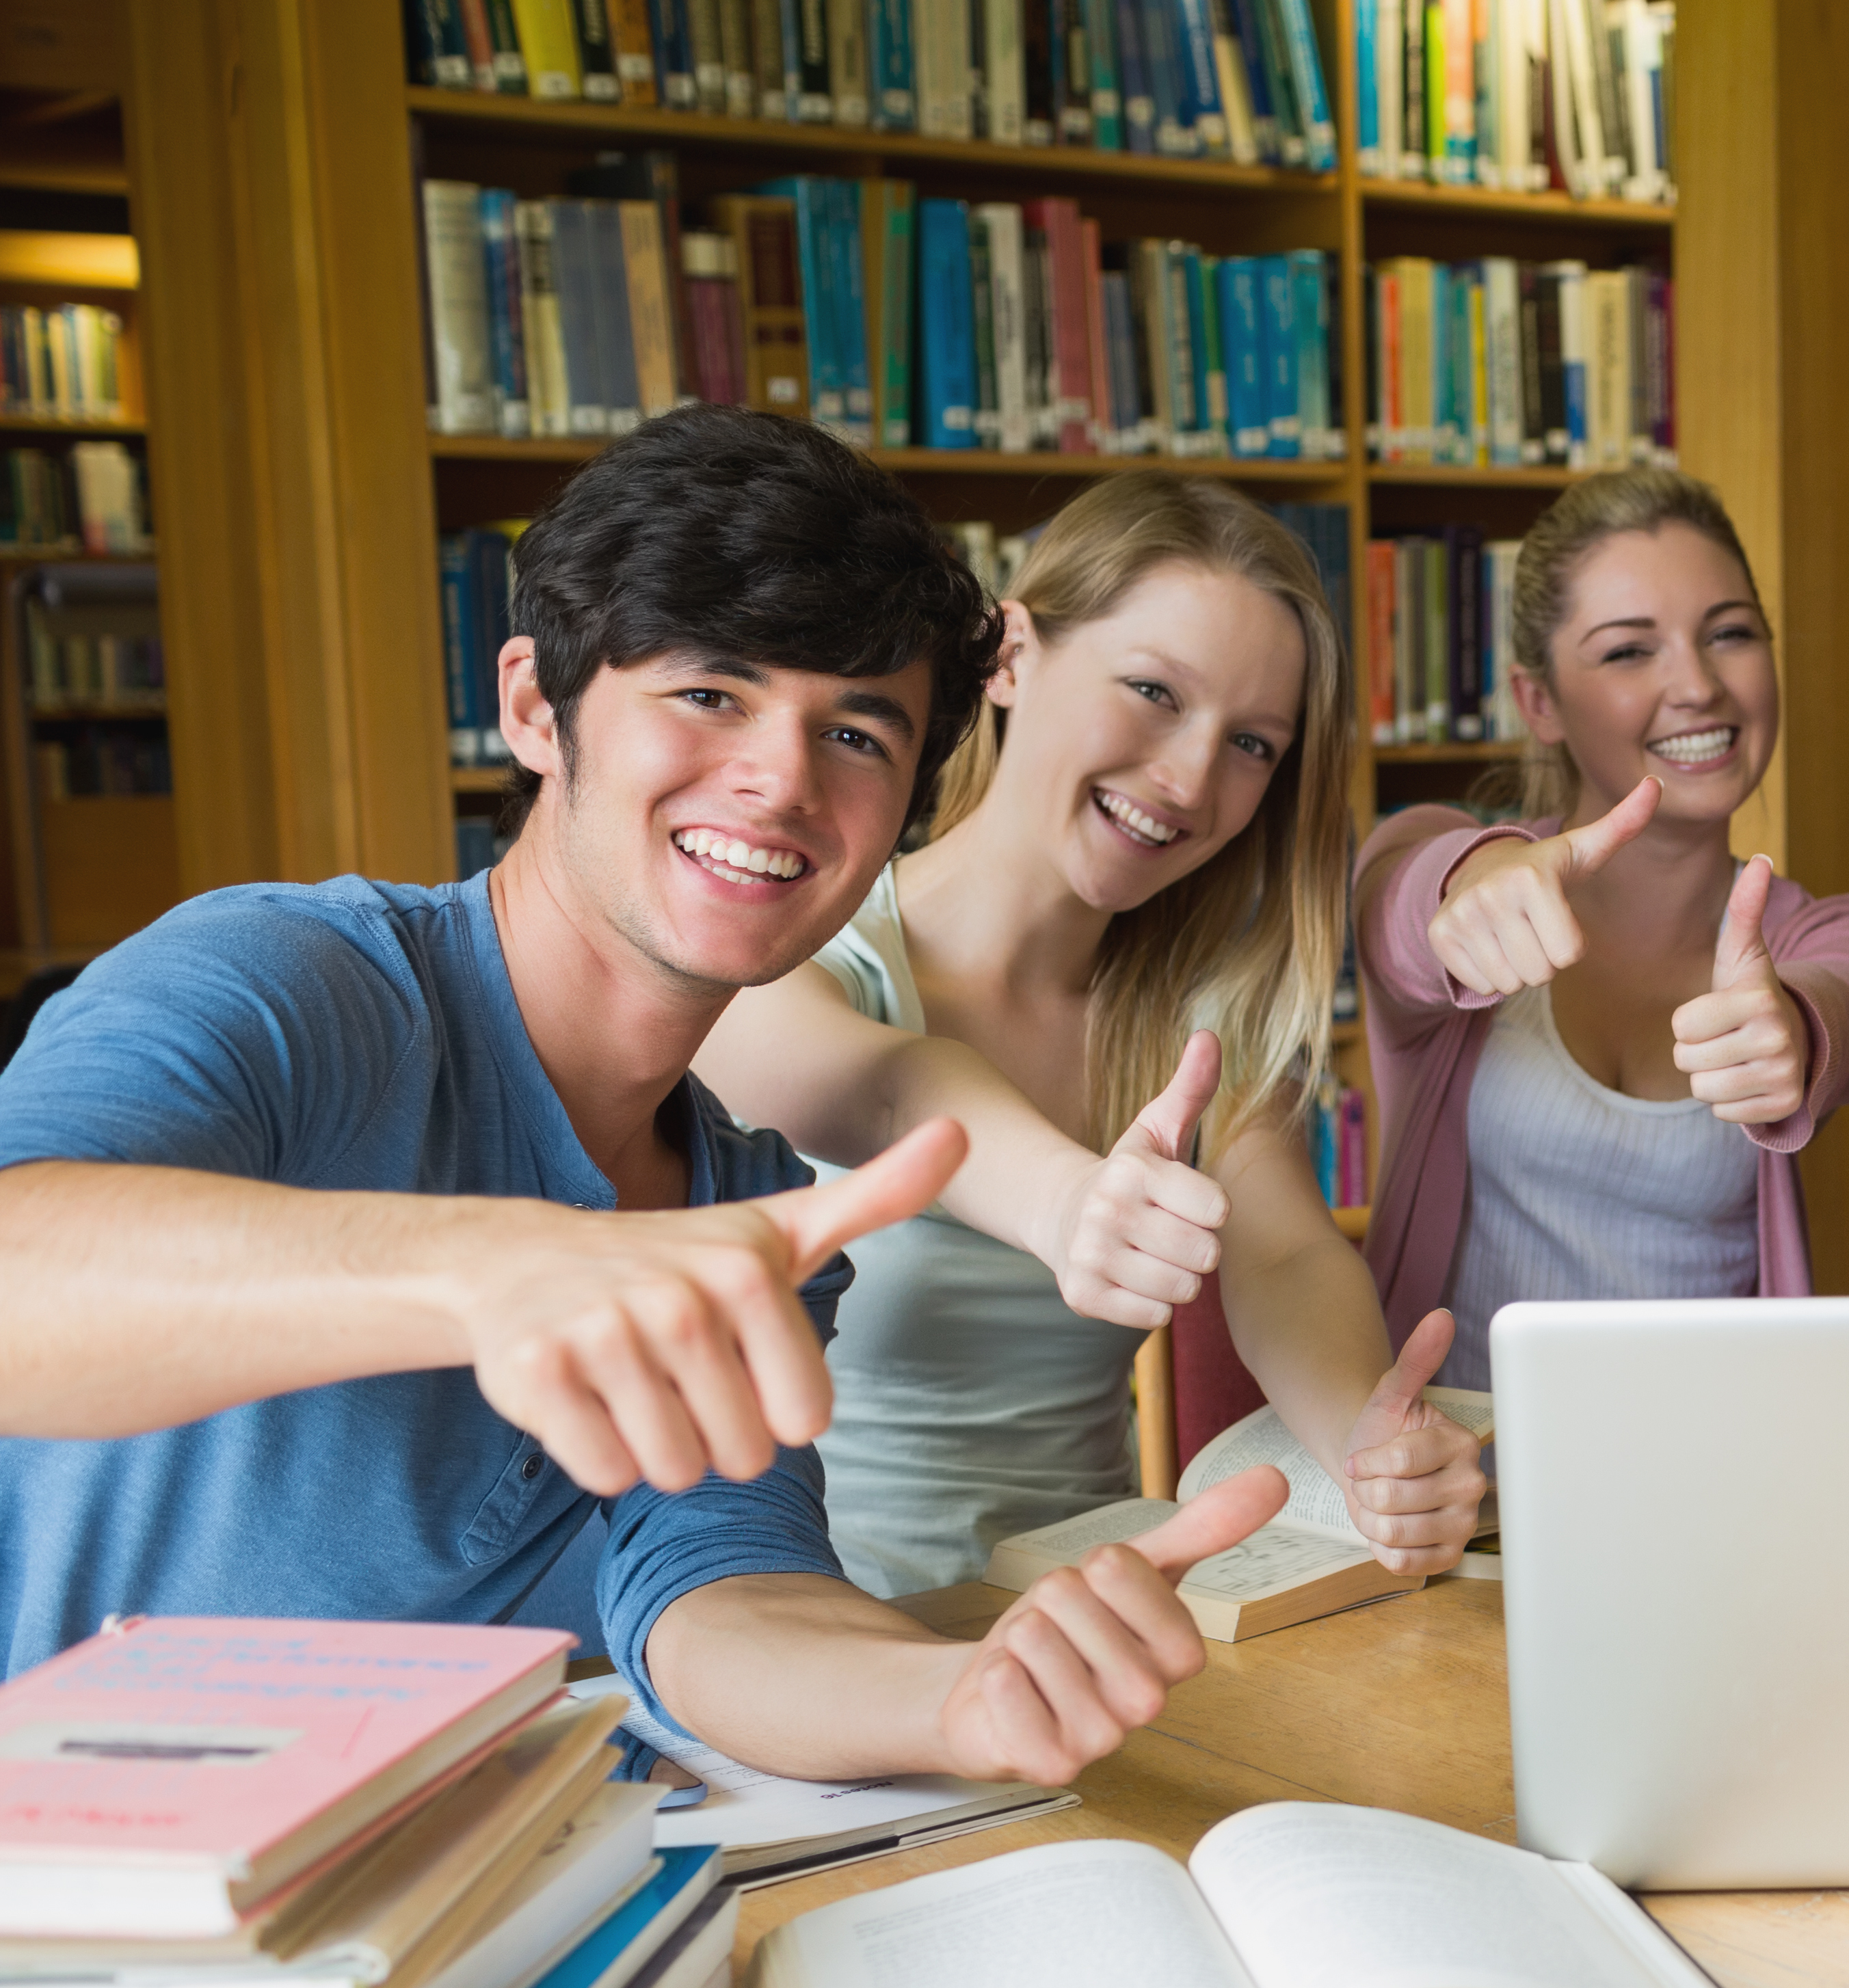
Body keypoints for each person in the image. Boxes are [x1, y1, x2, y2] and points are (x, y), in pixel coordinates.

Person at [0, 409, 1285, 1784]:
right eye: (709, 693)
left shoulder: (755, 1217)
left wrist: (957, 1695)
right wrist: (494, 1271)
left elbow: (724, 1597)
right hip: (94, 1908)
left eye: (856, 733)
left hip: (472, 1908)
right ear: (536, 709)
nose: (781, 780)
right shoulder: (289, 982)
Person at [696, 473, 1485, 1598]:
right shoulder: (800, 943)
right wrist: (1069, 1204)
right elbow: (895, 1091)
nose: (1190, 778)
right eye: (1154, 691)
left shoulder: (1192, 1014)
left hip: (1088, 1631)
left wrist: (1373, 1439)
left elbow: (1287, 1252)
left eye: (1254, 744)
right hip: (814, 1631)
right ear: (1009, 657)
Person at [1351, 468, 1849, 1384]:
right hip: (1455, 1499)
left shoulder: (1821, 934)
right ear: (1538, 702)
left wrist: (1795, 1032)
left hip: (1709, 1484)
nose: (1696, 685)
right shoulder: (1458, 869)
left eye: (1729, 634)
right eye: (1627, 652)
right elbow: (1400, 891)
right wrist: (1472, 883)